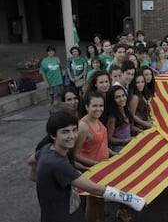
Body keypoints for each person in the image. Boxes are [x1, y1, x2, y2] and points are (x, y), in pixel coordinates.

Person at [30, 111, 145, 222]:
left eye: (74, 130)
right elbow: (94, 189)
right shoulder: (57, 164)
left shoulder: (47, 149)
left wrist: (37, 177)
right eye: (65, 132)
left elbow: (30, 161)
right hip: (64, 217)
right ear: (53, 135)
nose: (72, 136)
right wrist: (133, 199)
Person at [73, 91, 114, 222]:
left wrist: (112, 153)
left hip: (102, 168)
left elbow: (101, 143)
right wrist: (94, 165)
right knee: (92, 201)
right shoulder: (83, 126)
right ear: (86, 107)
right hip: (91, 171)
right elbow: (74, 155)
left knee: (100, 199)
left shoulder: (97, 120)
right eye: (95, 106)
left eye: (101, 106)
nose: (99, 109)